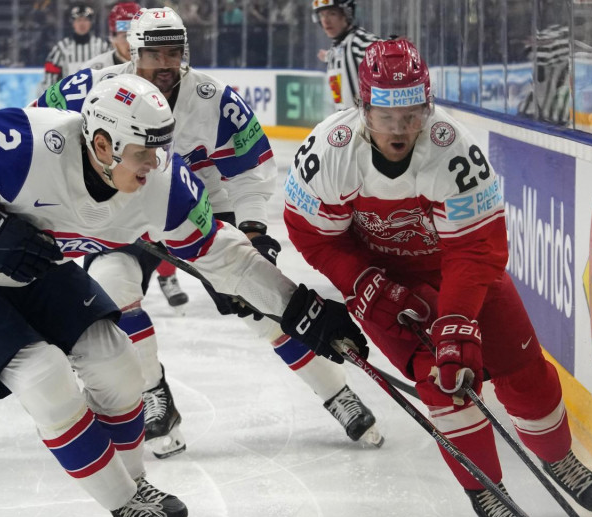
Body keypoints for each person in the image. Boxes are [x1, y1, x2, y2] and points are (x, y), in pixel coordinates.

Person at [0, 73, 368, 517]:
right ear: (102, 143)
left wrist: (300, 307)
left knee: (116, 361)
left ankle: (137, 485)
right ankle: (123, 503)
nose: (156, 163)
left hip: (33, 263)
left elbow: (224, 255)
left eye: (159, 149)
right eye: (144, 151)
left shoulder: (161, 182)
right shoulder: (25, 143)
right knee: (43, 377)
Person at [283, 38, 592, 517]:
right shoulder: (330, 151)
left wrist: (457, 322)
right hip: (384, 285)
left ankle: (558, 457)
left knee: (524, 369)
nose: (398, 128)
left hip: (462, 273)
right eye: (386, 114)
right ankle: (488, 492)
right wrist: (361, 279)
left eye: (411, 113)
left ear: (427, 106)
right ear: (364, 106)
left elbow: (475, 249)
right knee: (443, 386)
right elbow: (312, 233)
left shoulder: (453, 149)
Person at [36, 7, 385, 458]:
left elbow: (250, 167)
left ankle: (337, 393)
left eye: (174, 52)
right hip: (125, 208)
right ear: (133, 52)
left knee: (260, 308)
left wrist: (254, 232)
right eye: (154, 53)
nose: (165, 64)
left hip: (200, 209)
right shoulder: (94, 88)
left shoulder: (213, 98)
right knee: (114, 290)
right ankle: (153, 391)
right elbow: (39, 129)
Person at [76, 3, 191, 308]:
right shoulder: (97, 71)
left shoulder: (166, 76)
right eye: (120, 34)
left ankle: (166, 274)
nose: (125, 43)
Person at [312, 0, 379, 110]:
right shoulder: (337, 47)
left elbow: (380, 49)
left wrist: (394, 48)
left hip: (364, 124)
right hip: (347, 123)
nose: (325, 20)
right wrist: (327, 56)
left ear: (346, 15)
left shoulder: (357, 41)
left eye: (332, 13)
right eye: (322, 15)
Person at [41, 4, 110, 92]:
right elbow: (50, 78)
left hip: (97, 97)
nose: (82, 23)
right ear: (73, 23)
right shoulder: (61, 48)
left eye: (85, 20)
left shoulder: (102, 47)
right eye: (78, 20)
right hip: (68, 100)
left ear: (91, 23)